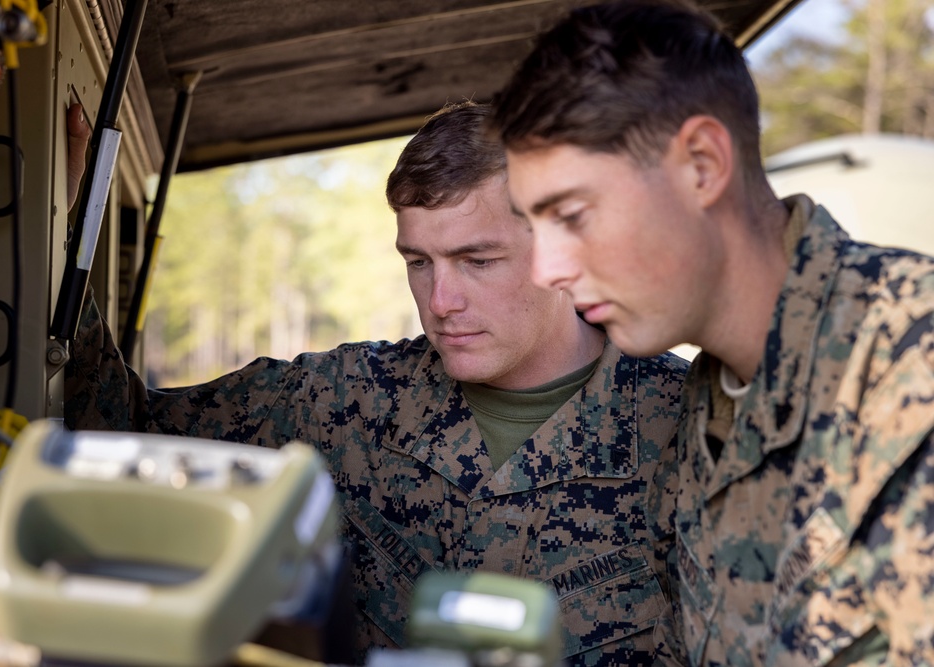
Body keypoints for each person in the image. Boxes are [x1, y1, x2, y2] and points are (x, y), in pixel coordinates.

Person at [63, 101, 689, 665]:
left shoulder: (684, 426)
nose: (441, 300)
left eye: (478, 261)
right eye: (419, 263)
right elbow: (124, 429)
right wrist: (70, 222)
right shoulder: (346, 399)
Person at [491, 1, 934, 665]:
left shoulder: (910, 360)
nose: (546, 269)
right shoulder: (709, 402)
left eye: (573, 215)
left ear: (701, 164)